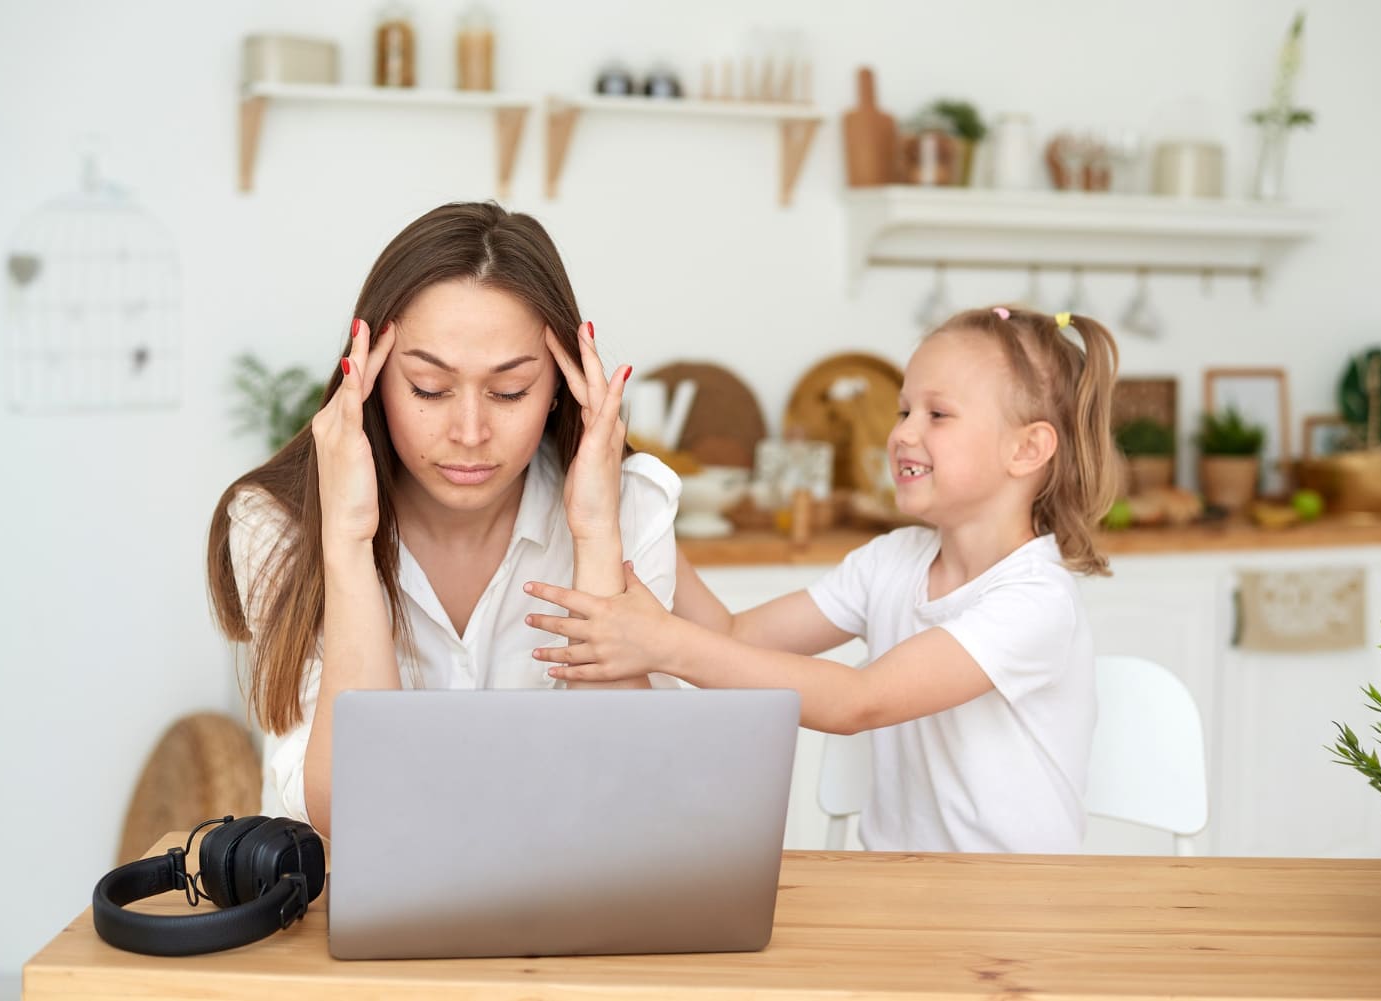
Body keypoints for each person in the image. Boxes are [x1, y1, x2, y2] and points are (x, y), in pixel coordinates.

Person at [524, 306, 1121, 853]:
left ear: (1028, 449)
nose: (904, 433)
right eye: (904, 410)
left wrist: (664, 643)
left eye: (937, 414)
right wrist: (626, 483)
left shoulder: (1037, 600)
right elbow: (734, 635)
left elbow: (859, 702)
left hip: (1016, 910)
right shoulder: (893, 561)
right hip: (903, 896)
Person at [206, 201, 680, 837]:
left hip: (566, 916)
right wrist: (347, 543)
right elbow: (352, 816)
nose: (470, 432)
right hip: (339, 918)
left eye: (510, 391)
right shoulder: (276, 526)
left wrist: (596, 537)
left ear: (563, 383)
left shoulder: (631, 507)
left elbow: (626, 794)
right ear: (369, 377)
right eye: (429, 388)